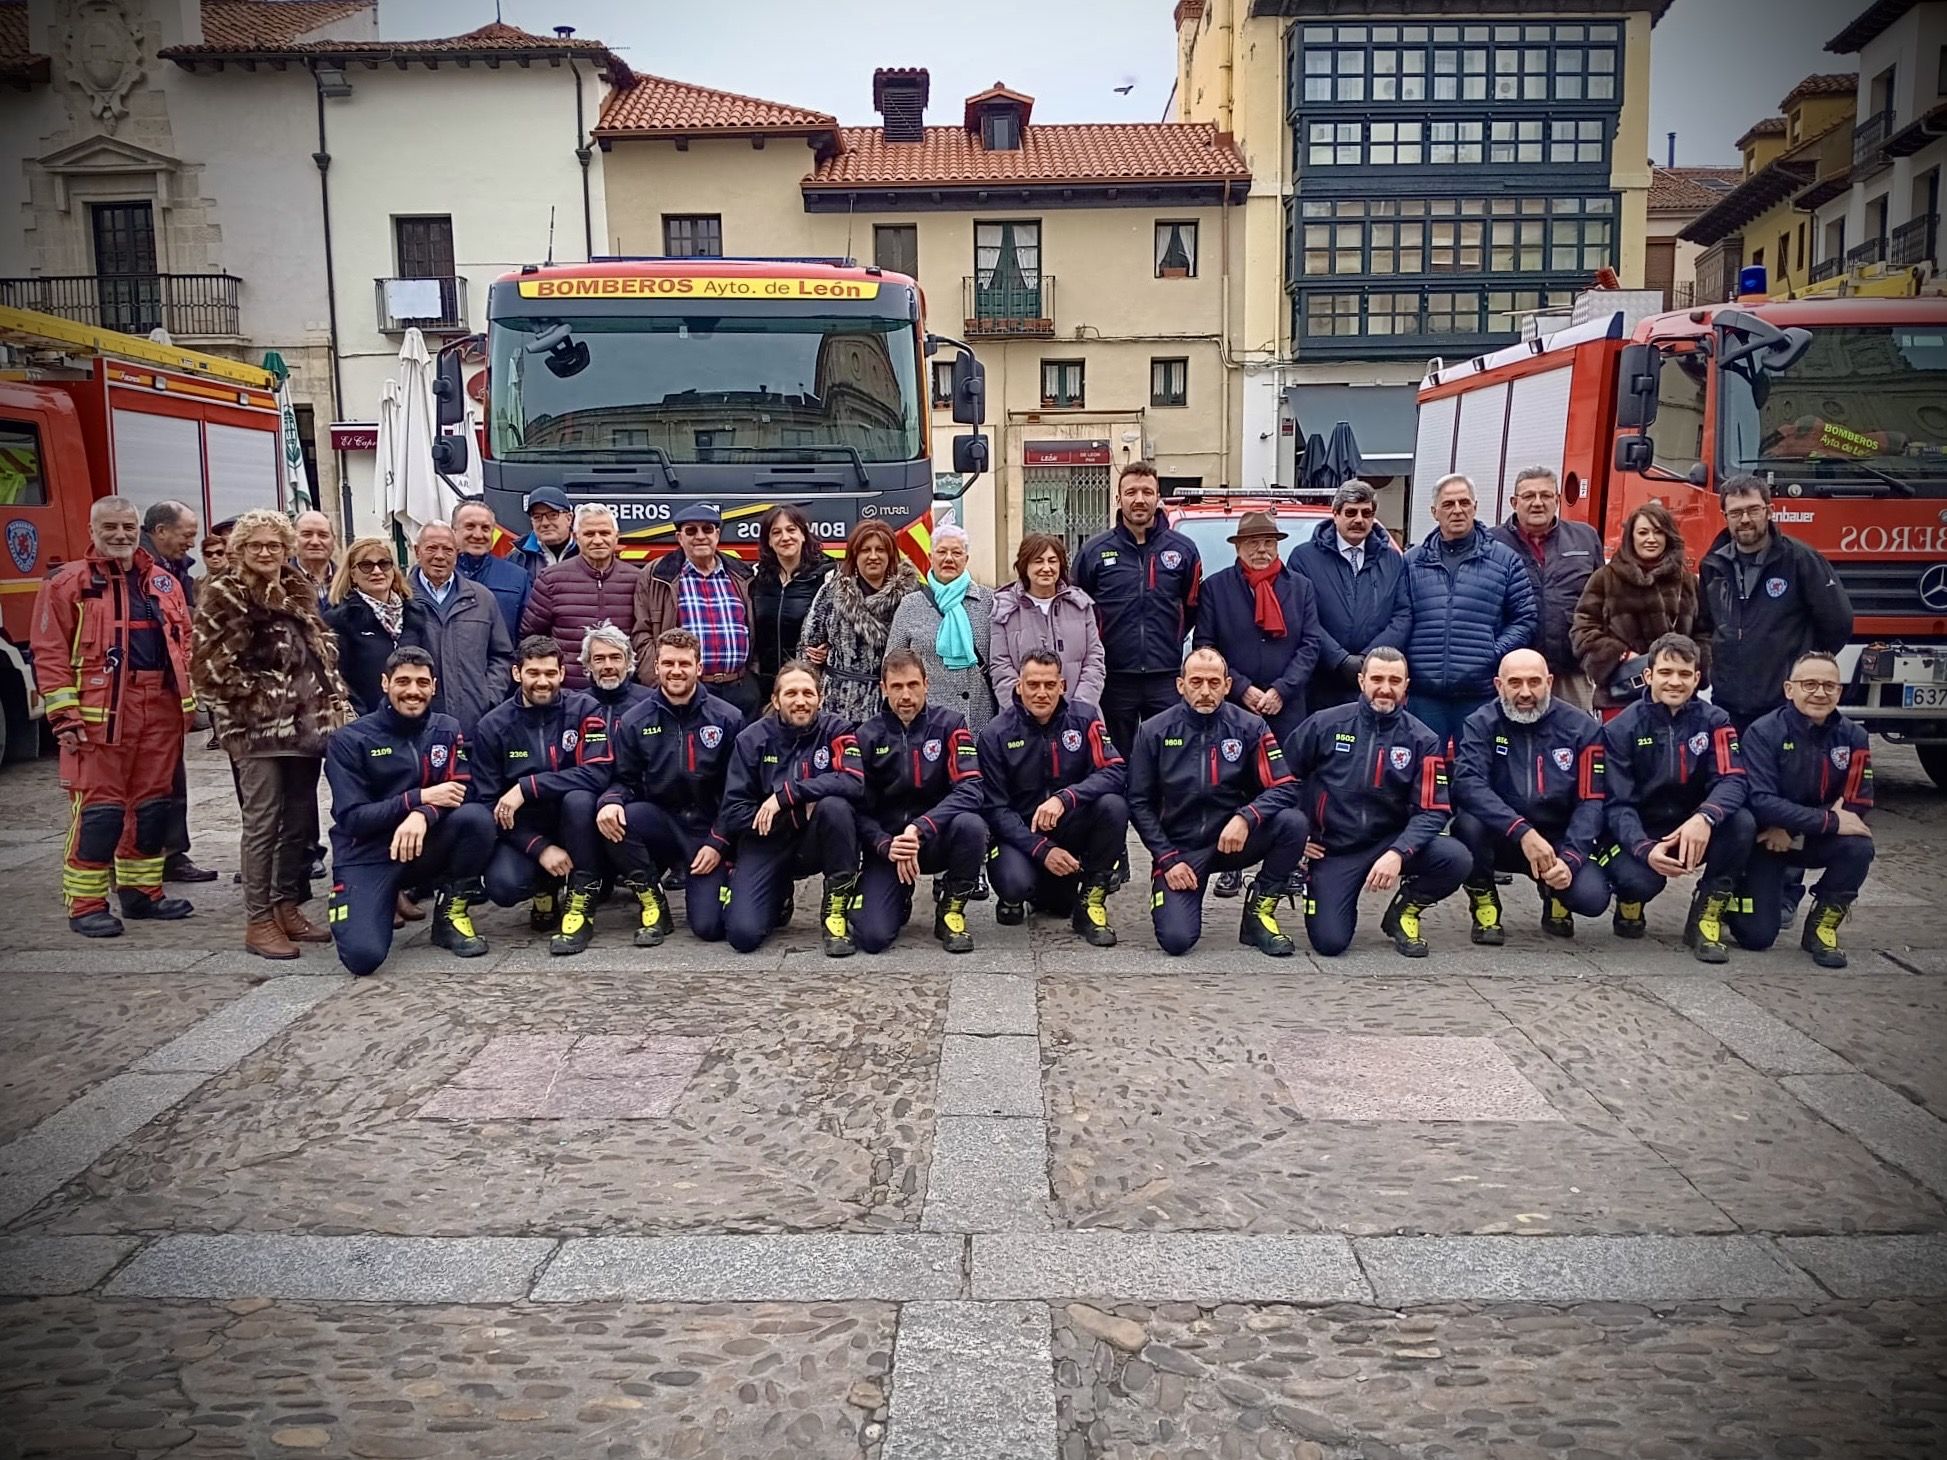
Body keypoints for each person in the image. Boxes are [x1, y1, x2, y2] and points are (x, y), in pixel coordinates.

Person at [191, 508, 353, 959]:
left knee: (299, 822)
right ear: (240, 550)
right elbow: (210, 667)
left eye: (275, 545)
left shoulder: (298, 589)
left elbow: (316, 650)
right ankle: (258, 918)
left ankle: (286, 906)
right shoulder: (225, 591)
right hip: (257, 728)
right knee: (263, 822)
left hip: (306, 727)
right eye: (256, 545)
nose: (267, 553)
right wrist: (270, 696)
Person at [33, 497, 197, 938]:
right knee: (99, 812)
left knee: (151, 808)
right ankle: (86, 903)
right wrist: (64, 716)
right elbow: (49, 655)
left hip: (158, 710)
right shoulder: (67, 583)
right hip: (98, 716)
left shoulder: (164, 581)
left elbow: (185, 645)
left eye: (127, 526)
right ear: (92, 528)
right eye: (110, 526)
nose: (120, 534)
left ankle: (143, 894)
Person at [1281, 647, 1472, 958]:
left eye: (1394, 680)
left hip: (1388, 843)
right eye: (1377, 679)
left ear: (1406, 685)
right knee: (1330, 943)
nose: (1385, 688)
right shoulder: (1324, 724)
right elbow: (1282, 780)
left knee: (1456, 858)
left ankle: (1403, 912)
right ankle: (1314, 887)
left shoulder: (1422, 739)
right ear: (1361, 681)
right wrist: (1298, 834)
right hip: (1334, 848)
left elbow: (1433, 809)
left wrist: (1398, 852)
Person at [325, 646, 496, 975]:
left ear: (433, 687)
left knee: (476, 819)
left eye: (422, 683)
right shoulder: (349, 740)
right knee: (363, 958)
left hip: (422, 845)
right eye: (403, 681)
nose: (413, 691)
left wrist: (422, 814)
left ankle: (449, 915)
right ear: (385, 683)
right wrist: (417, 799)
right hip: (368, 853)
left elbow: (464, 790)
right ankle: (370, 900)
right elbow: (352, 818)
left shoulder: (446, 728)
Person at [1128, 646, 1308, 957]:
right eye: (1196, 682)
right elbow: (1138, 802)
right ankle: (1172, 894)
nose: (1206, 692)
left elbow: (1285, 786)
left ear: (1227, 686)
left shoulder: (1251, 727)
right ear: (1180, 685)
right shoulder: (1153, 731)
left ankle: (1259, 913)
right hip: (1181, 851)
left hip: (1233, 841)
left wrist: (1246, 817)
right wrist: (1166, 858)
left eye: (1214, 683)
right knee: (1176, 940)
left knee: (1293, 823)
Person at [1599, 632, 1755, 963]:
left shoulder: (1715, 721)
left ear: (1697, 678)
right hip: (1644, 830)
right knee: (1639, 881)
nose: (1675, 682)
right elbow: (1616, 804)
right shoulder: (1620, 729)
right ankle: (1630, 902)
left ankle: (1706, 914)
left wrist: (1705, 817)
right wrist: (1645, 848)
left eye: (1685, 674)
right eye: (1666, 673)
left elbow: (1733, 779)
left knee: (1741, 822)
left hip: (1695, 828)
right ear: (1648, 676)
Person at [1451, 648, 1611, 944]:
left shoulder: (1583, 728)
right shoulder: (1480, 723)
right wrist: (1522, 831)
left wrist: (1572, 858)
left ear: (1549, 682)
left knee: (1592, 899)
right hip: (1505, 835)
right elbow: (1468, 783)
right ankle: (1484, 901)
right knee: (1467, 824)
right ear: (1499, 685)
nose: (1526, 692)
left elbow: (1592, 799)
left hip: (1557, 840)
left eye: (1534, 682)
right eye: (1515, 683)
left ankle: (1555, 892)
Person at [597, 629, 746, 947]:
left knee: (709, 928)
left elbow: (739, 792)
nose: (676, 671)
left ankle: (729, 879)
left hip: (708, 831)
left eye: (684, 664)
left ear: (699, 667)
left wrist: (718, 843)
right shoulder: (636, 720)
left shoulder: (728, 718)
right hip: (662, 822)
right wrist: (609, 801)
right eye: (668, 663)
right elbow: (625, 778)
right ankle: (652, 899)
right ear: (657, 666)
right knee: (619, 817)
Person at [470, 635, 614, 956]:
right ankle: (544, 884)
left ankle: (581, 898)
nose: (542, 682)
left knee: (579, 798)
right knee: (504, 887)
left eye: (550, 673)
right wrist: (539, 848)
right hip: (525, 831)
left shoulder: (586, 709)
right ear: (517, 674)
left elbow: (598, 772)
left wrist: (527, 786)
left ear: (562, 674)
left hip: (578, 823)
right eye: (533, 673)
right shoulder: (492, 726)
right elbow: (487, 802)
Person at [1729, 651, 1874, 968]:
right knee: (1757, 937)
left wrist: (1794, 827)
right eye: (1809, 684)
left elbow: (1858, 801)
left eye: (1828, 685)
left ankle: (1823, 925)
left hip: (1799, 835)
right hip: (1768, 840)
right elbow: (1761, 801)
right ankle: (1734, 896)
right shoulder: (1762, 732)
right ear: (1788, 689)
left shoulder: (1855, 736)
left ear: (1839, 690)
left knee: (1859, 845)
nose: (1820, 693)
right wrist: (1827, 818)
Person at [978, 650, 1127, 947]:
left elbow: (1115, 771)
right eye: (1033, 685)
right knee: (1016, 885)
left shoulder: (1085, 719)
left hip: (1071, 827)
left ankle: (1090, 903)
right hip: (1020, 836)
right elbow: (995, 808)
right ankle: (1018, 895)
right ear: (1019, 686)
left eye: (1049, 685)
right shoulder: (995, 734)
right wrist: (1042, 849)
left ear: (1062, 686)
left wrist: (1066, 798)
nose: (1041, 693)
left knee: (1114, 805)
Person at [717, 661, 865, 956]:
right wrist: (798, 812)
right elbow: (734, 812)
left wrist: (787, 796)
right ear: (775, 700)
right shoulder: (750, 739)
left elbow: (853, 781)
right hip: (765, 842)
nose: (800, 701)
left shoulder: (838, 730)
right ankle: (778, 895)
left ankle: (835, 908)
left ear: (820, 698)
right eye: (791, 693)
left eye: (808, 693)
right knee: (743, 937)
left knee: (836, 807)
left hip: (815, 842)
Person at [851, 650, 987, 954]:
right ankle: (896, 896)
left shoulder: (951, 725)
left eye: (913, 685)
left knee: (972, 824)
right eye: (897, 687)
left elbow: (971, 788)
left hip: (935, 838)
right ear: (883, 689)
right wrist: (885, 844)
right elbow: (857, 808)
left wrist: (919, 828)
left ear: (927, 684)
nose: (906, 695)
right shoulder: (866, 736)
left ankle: (951, 908)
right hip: (889, 846)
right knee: (871, 938)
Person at [1697, 474, 1854, 731]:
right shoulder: (1713, 566)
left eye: (1753, 510)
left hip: (1784, 707)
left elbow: (1838, 622)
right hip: (1727, 705)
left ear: (1769, 511)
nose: (1745, 519)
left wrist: (1804, 669)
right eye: (1736, 513)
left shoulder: (1800, 559)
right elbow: (1704, 625)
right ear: (1725, 516)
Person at [1074, 460, 1203, 771]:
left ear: (1158, 498)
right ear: (1118, 499)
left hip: (1166, 675)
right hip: (1115, 676)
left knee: (1168, 759)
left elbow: (1193, 604)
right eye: (1131, 492)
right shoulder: (1094, 552)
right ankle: (1119, 817)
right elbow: (1078, 609)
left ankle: (1160, 817)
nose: (1139, 499)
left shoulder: (1183, 550)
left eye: (1147, 492)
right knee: (1116, 761)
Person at [1398, 474, 1539, 747]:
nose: (1458, 510)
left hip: (1480, 693)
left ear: (1475, 507)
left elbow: (1524, 618)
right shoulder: (1411, 562)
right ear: (1434, 512)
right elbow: (1400, 618)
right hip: (1424, 695)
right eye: (1448, 504)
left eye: (1464, 502)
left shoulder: (1504, 560)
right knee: (1424, 773)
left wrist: (1492, 652)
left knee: (1476, 771)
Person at [140, 499, 217, 885]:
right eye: (187, 534)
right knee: (151, 784)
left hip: (170, 697)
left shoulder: (171, 569)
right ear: (161, 531)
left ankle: (171, 855)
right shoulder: (145, 572)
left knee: (171, 778)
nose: (192, 542)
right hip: (146, 698)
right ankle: (150, 862)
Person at [1286, 482, 1411, 716]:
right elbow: (1302, 616)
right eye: (1351, 512)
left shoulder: (1393, 559)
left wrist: (1369, 659)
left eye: (1367, 513)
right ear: (1335, 514)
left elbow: (1403, 615)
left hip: (1376, 684)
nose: (1359, 520)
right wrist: (1340, 661)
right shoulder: (1303, 558)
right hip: (1321, 681)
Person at [1195, 512, 1321, 744]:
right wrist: (1241, 688)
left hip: (1287, 709)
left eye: (1269, 542)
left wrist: (1281, 690)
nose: (1262, 550)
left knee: (1285, 777)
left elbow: (1310, 645)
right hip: (1232, 707)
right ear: (1238, 547)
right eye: (1253, 542)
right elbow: (1205, 647)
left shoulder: (1301, 588)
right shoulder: (1215, 588)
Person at [1571, 501, 1706, 713]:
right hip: (1621, 698)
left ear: (1668, 537)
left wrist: (1693, 665)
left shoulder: (1687, 581)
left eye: (1658, 532)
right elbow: (1582, 629)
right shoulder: (1606, 578)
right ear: (1631, 537)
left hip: (1677, 696)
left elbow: (1704, 632)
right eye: (1643, 532)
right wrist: (1620, 655)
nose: (1650, 539)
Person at [1489, 466, 1604, 711]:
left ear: (1558, 500)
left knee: (1575, 738)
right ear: (1514, 502)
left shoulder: (1585, 538)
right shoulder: (1491, 543)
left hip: (1571, 668)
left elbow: (1603, 601)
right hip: (1513, 669)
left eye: (1546, 496)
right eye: (1529, 496)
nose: (1538, 503)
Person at [632, 503, 760, 719]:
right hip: (689, 690)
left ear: (717, 535)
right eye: (691, 531)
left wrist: (753, 678)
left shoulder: (742, 574)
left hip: (740, 689)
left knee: (743, 752)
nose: (700, 536)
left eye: (707, 529)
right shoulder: (656, 575)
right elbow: (642, 633)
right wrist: (659, 681)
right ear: (679, 538)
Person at [799, 521, 922, 725]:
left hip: (895, 704)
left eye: (880, 550)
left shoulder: (912, 597)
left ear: (891, 555)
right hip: (839, 706)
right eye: (865, 550)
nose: (873, 556)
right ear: (854, 556)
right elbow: (808, 649)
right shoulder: (831, 593)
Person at [885, 524, 999, 733]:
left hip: (979, 719)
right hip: (928, 721)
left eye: (956, 553)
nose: (949, 558)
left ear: (966, 559)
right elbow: (892, 664)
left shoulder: (988, 601)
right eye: (942, 552)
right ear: (930, 557)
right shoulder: (911, 604)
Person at [521, 505, 641, 692]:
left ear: (616, 537)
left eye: (604, 533)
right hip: (569, 693)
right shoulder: (551, 579)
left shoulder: (637, 579)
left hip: (624, 693)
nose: (598, 540)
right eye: (589, 534)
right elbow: (532, 638)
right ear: (577, 538)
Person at [409, 522, 514, 734]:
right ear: (416, 551)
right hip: (416, 723)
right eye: (431, 548)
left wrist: (489, 696)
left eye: (447, 549)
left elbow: (502, 655)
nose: (440, 556)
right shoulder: (402, 598)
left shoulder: (482, 598)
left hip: (474, 723)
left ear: (457, 554)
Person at [988, 532, 1105, 712]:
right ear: (1024, 565)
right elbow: (1000, 667)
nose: (1046, 567)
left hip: (1079, 718)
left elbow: (1094, 660)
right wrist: (1025, 710)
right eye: (1038, 561)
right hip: (1023, 721)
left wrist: (1080, 708)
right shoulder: (1005, 609)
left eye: (1052, 561)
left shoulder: (1080, 605)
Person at [325, 539, 422, 716]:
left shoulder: (414, 615)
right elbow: (337, 677)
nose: (377, 571)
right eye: (366, 565)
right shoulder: (340, 620)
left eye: (384, 564)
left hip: (412, 716)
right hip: (367, 721)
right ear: (352, 574)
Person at [749, 505, 833, 705]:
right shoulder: (756, 578)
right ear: (768, 541)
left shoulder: (828, 577)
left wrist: (830, 649)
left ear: (804, 534)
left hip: (807, 688)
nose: (785, 537)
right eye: (776, 532)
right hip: (765, 687)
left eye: (791, 530)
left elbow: (842, 631)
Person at [453, 498, 530, 639]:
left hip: (503, 660)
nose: (478, 535)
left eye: (485, 528)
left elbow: (527, 633)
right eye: (470, 527)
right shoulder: (440, 576)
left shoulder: (518, 577)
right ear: (454, 531)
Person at [578, 621, 650, 737]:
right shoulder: (577, 706)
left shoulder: (649, 703)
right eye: (599, 659)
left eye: (615, 657)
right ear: (588, 664)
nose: (608, 666)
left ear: (628, 662)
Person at [508, 485, 580, 581]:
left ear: (569, 518)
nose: (545, 523)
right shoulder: (517, 558)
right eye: (537, 517)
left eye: (553, 515)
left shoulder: (586, 552)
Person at [293, 510, 338, 609]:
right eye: (307, 534)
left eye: (323, 535)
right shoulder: (279, 583)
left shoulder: (350, 583)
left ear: (334, 540)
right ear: (293, 540)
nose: (315, 542)